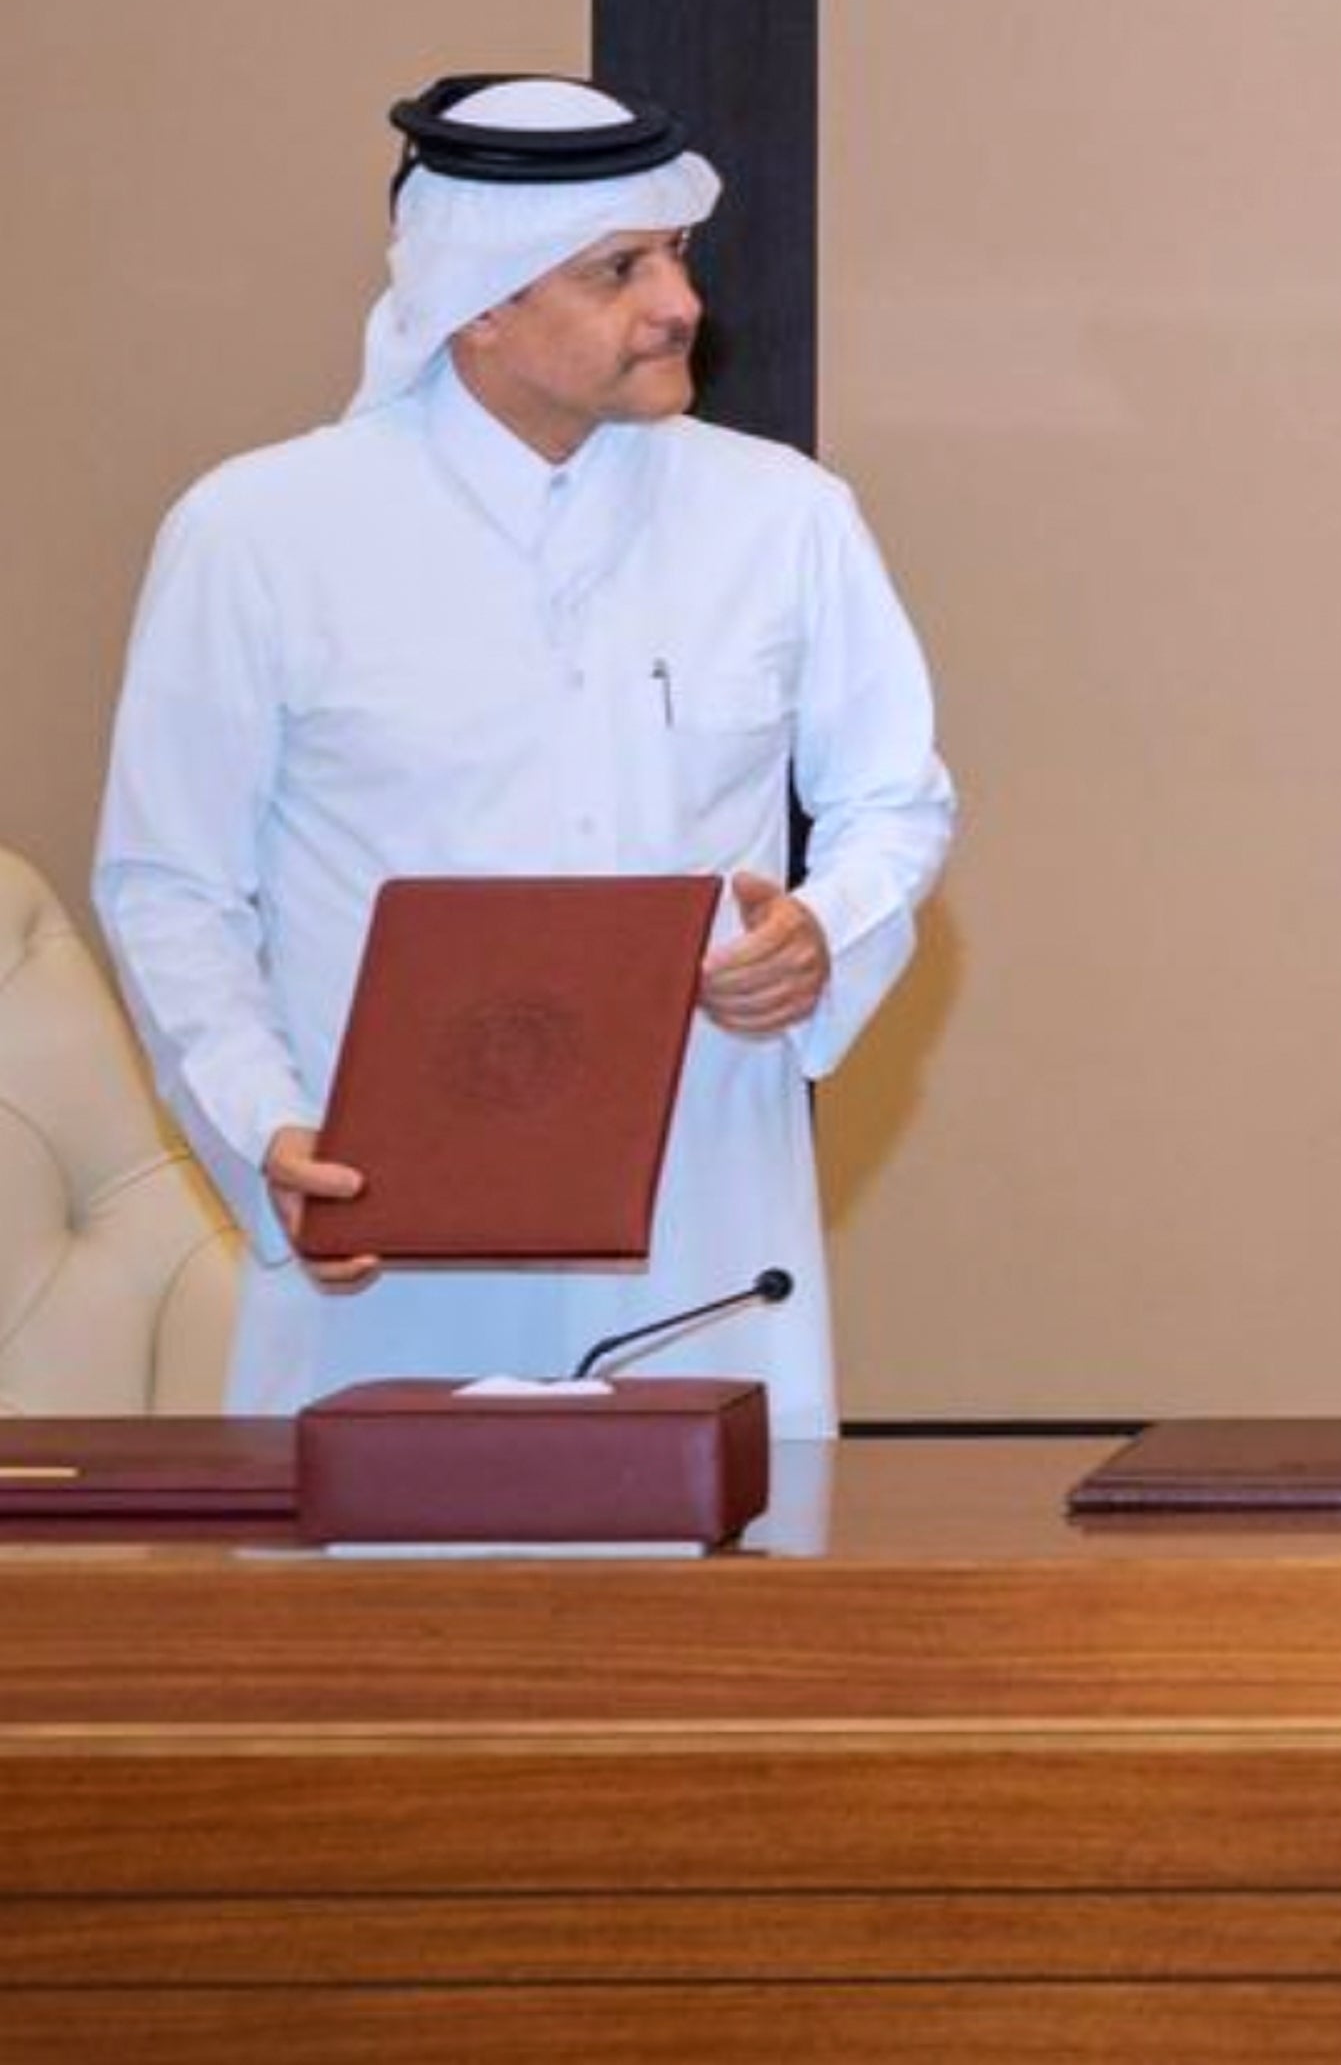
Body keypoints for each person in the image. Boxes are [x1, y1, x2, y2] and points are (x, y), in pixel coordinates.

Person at [90, 74, 957, 1427]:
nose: (678, 303)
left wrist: (821, 933)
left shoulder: (784, 516)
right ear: (476, 303)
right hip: (384, 1240)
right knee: (390, 1568)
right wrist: (266, 1127)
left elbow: (895, 800)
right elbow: (170, 883)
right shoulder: (258, 534)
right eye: (620, 270)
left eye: (676, 255)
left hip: (703, 1235)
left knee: (718, 1564)